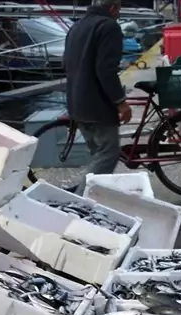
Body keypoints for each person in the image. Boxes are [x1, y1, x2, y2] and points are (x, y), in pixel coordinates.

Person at [63, 0, 131, 187]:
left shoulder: (76, 27)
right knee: (108, 154)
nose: (118, 14)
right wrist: (120, 101)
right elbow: (106, 70)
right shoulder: (109, 27)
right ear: (112, 8)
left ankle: (91, 196)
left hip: (76, 102)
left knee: (97, 154)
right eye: (118, 9)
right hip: (97, 105)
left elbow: (65, 64)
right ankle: (78, 200)